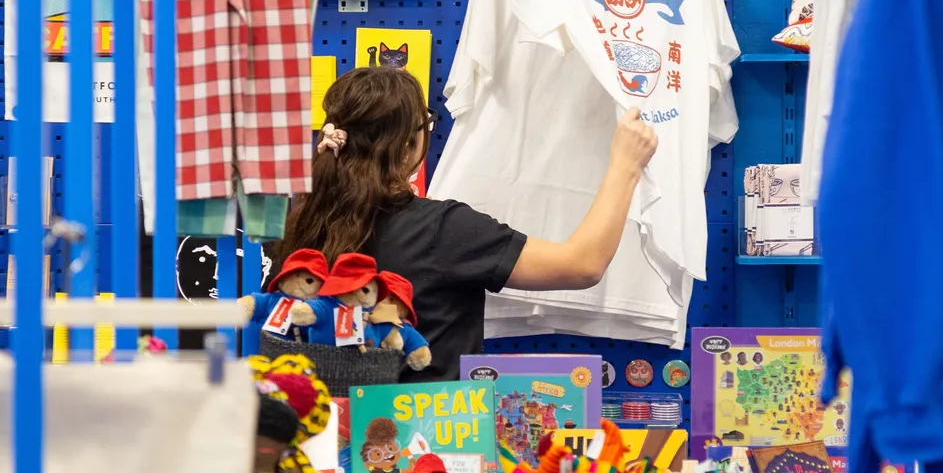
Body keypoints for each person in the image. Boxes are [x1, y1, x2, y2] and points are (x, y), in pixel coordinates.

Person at [279, 67, 659, 381]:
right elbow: (582, 265)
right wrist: (626, 166)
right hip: (426, 449)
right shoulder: (442, 230)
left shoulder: (301, 224)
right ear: (410, 144)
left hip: (325, 443)